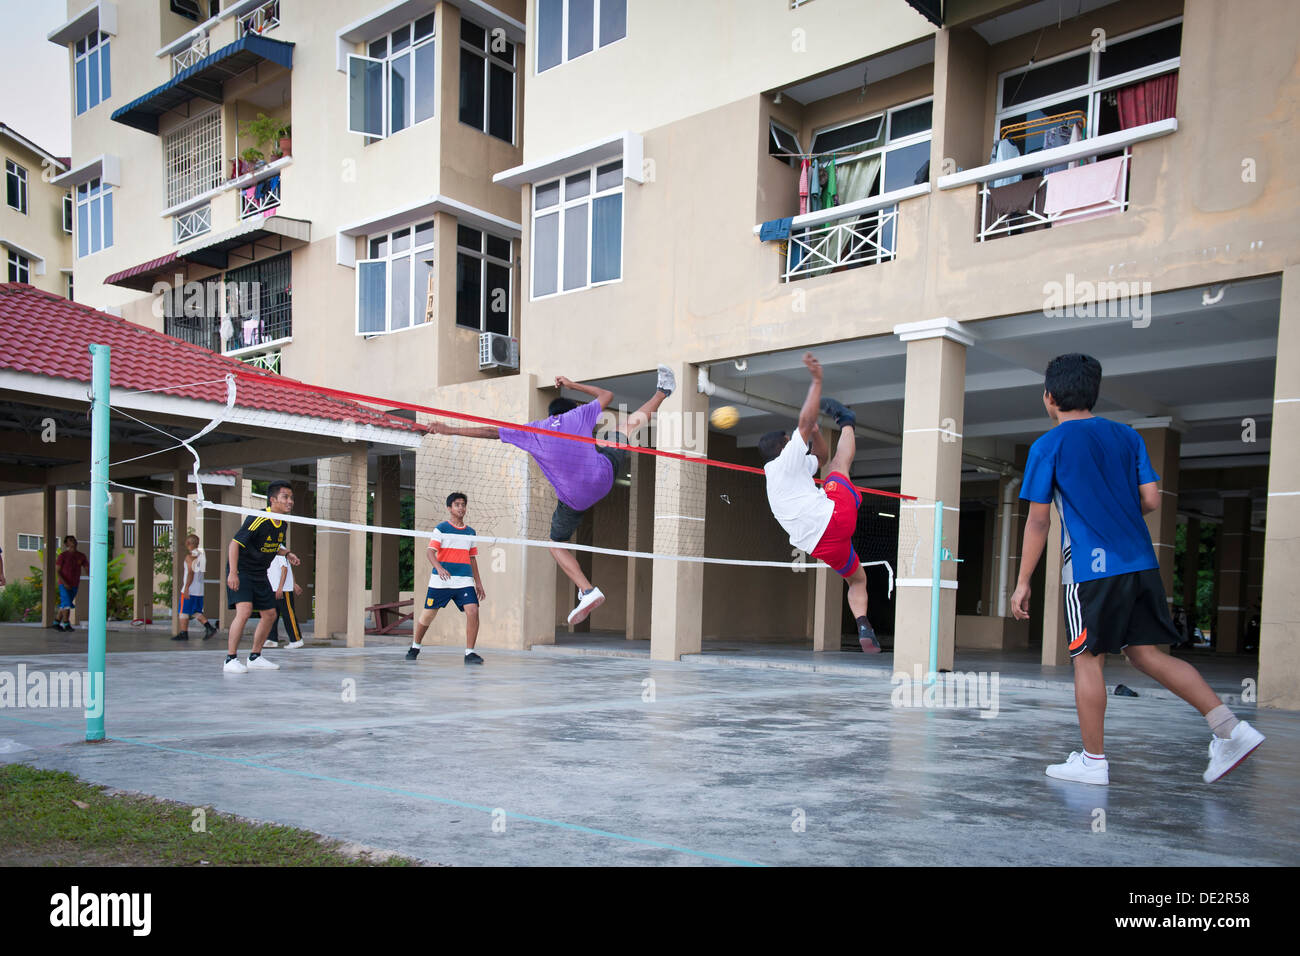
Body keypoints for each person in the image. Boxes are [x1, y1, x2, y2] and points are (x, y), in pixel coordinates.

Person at [1011, 353, 1264, 785]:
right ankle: (1230, 728)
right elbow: (1150, 499)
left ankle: (1092, 762)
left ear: (1050, 397)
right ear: (1094, 393)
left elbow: (1039, 520)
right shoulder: (1128, 437)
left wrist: (1022, 582)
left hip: (1092, 571)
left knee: (1087, 659)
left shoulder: (1047, 446)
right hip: (1140, 563)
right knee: (1146, 653)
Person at [432, 365, 675, 625]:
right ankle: (662, 392)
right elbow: (607, 394)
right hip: (602, 478)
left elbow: (491, 432)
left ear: (550, 415)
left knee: (556, 544)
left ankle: (587, 590)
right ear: (571, 409)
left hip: (574, 499)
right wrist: (573, 384)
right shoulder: (579, 415)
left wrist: (450, 430)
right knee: (626, 428)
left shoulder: (536, 430)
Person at [758, 352, 879, 653]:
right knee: (839, 468)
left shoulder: (784, 473)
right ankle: (847, 420)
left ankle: (863, 623)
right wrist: (817, 380)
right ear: (784, 445)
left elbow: (820, 457)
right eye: (792, 439)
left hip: (820, 545)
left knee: (857, 579)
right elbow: (805, 421)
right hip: (834, 519)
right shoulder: (786, 459)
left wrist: (815, 434)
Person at [224, 481, 299, 673]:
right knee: (245, 611)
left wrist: (287, 553)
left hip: (260, 573)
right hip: (242, 570)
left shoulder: (282, 523)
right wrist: (233, 573)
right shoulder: (259, 517)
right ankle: (230, 659)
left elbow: (272, 546)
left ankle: (255, 656)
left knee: (270, 614)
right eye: (285, 497)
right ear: (273, 500)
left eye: (291, 497)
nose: (290, 501)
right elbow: (234, 544)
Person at [406, 492, 486, 664]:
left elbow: (472, 559)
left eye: (463, 504)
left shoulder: (471, 532)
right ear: (449, 508)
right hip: (441, 581)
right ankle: (415, 646)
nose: (461, 508)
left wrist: (478, 582)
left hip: (464, 581)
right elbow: (430, 552)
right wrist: (439, 568)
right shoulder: (441, 529)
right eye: (457, 504)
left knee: (473, 611)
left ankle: (469, 653)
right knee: (427, 615)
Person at [173, 534, 218, 641]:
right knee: (195, 611)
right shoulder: (202, 556)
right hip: (199, 588)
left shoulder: (190, 557)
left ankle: (184, 633)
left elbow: (190, 572)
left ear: (188, 543)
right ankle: (209, 628)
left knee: (183, 611)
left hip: (191, 588)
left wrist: (187, 588)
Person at [264, 553, 305, 649]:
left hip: (283, 589)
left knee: (288, 614)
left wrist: (280, 588)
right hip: (272, 588)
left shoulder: (280, 550)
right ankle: (272, 639)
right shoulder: (269, 549)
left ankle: (296, 640)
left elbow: (285, 569)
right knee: (272, 614)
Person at [54, 535, 89, 633]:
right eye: (70, 540)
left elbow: (87, 567)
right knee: (67, 603)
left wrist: (91, 576)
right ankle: (66, 623)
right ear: (66, 544)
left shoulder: (81, 556)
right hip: (63, 584)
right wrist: (64, 583)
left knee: (65, 603)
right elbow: (58, 571)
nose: (73, 542)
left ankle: (56, 623)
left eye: (74, 540)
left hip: (74, 584)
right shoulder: (63, 556)